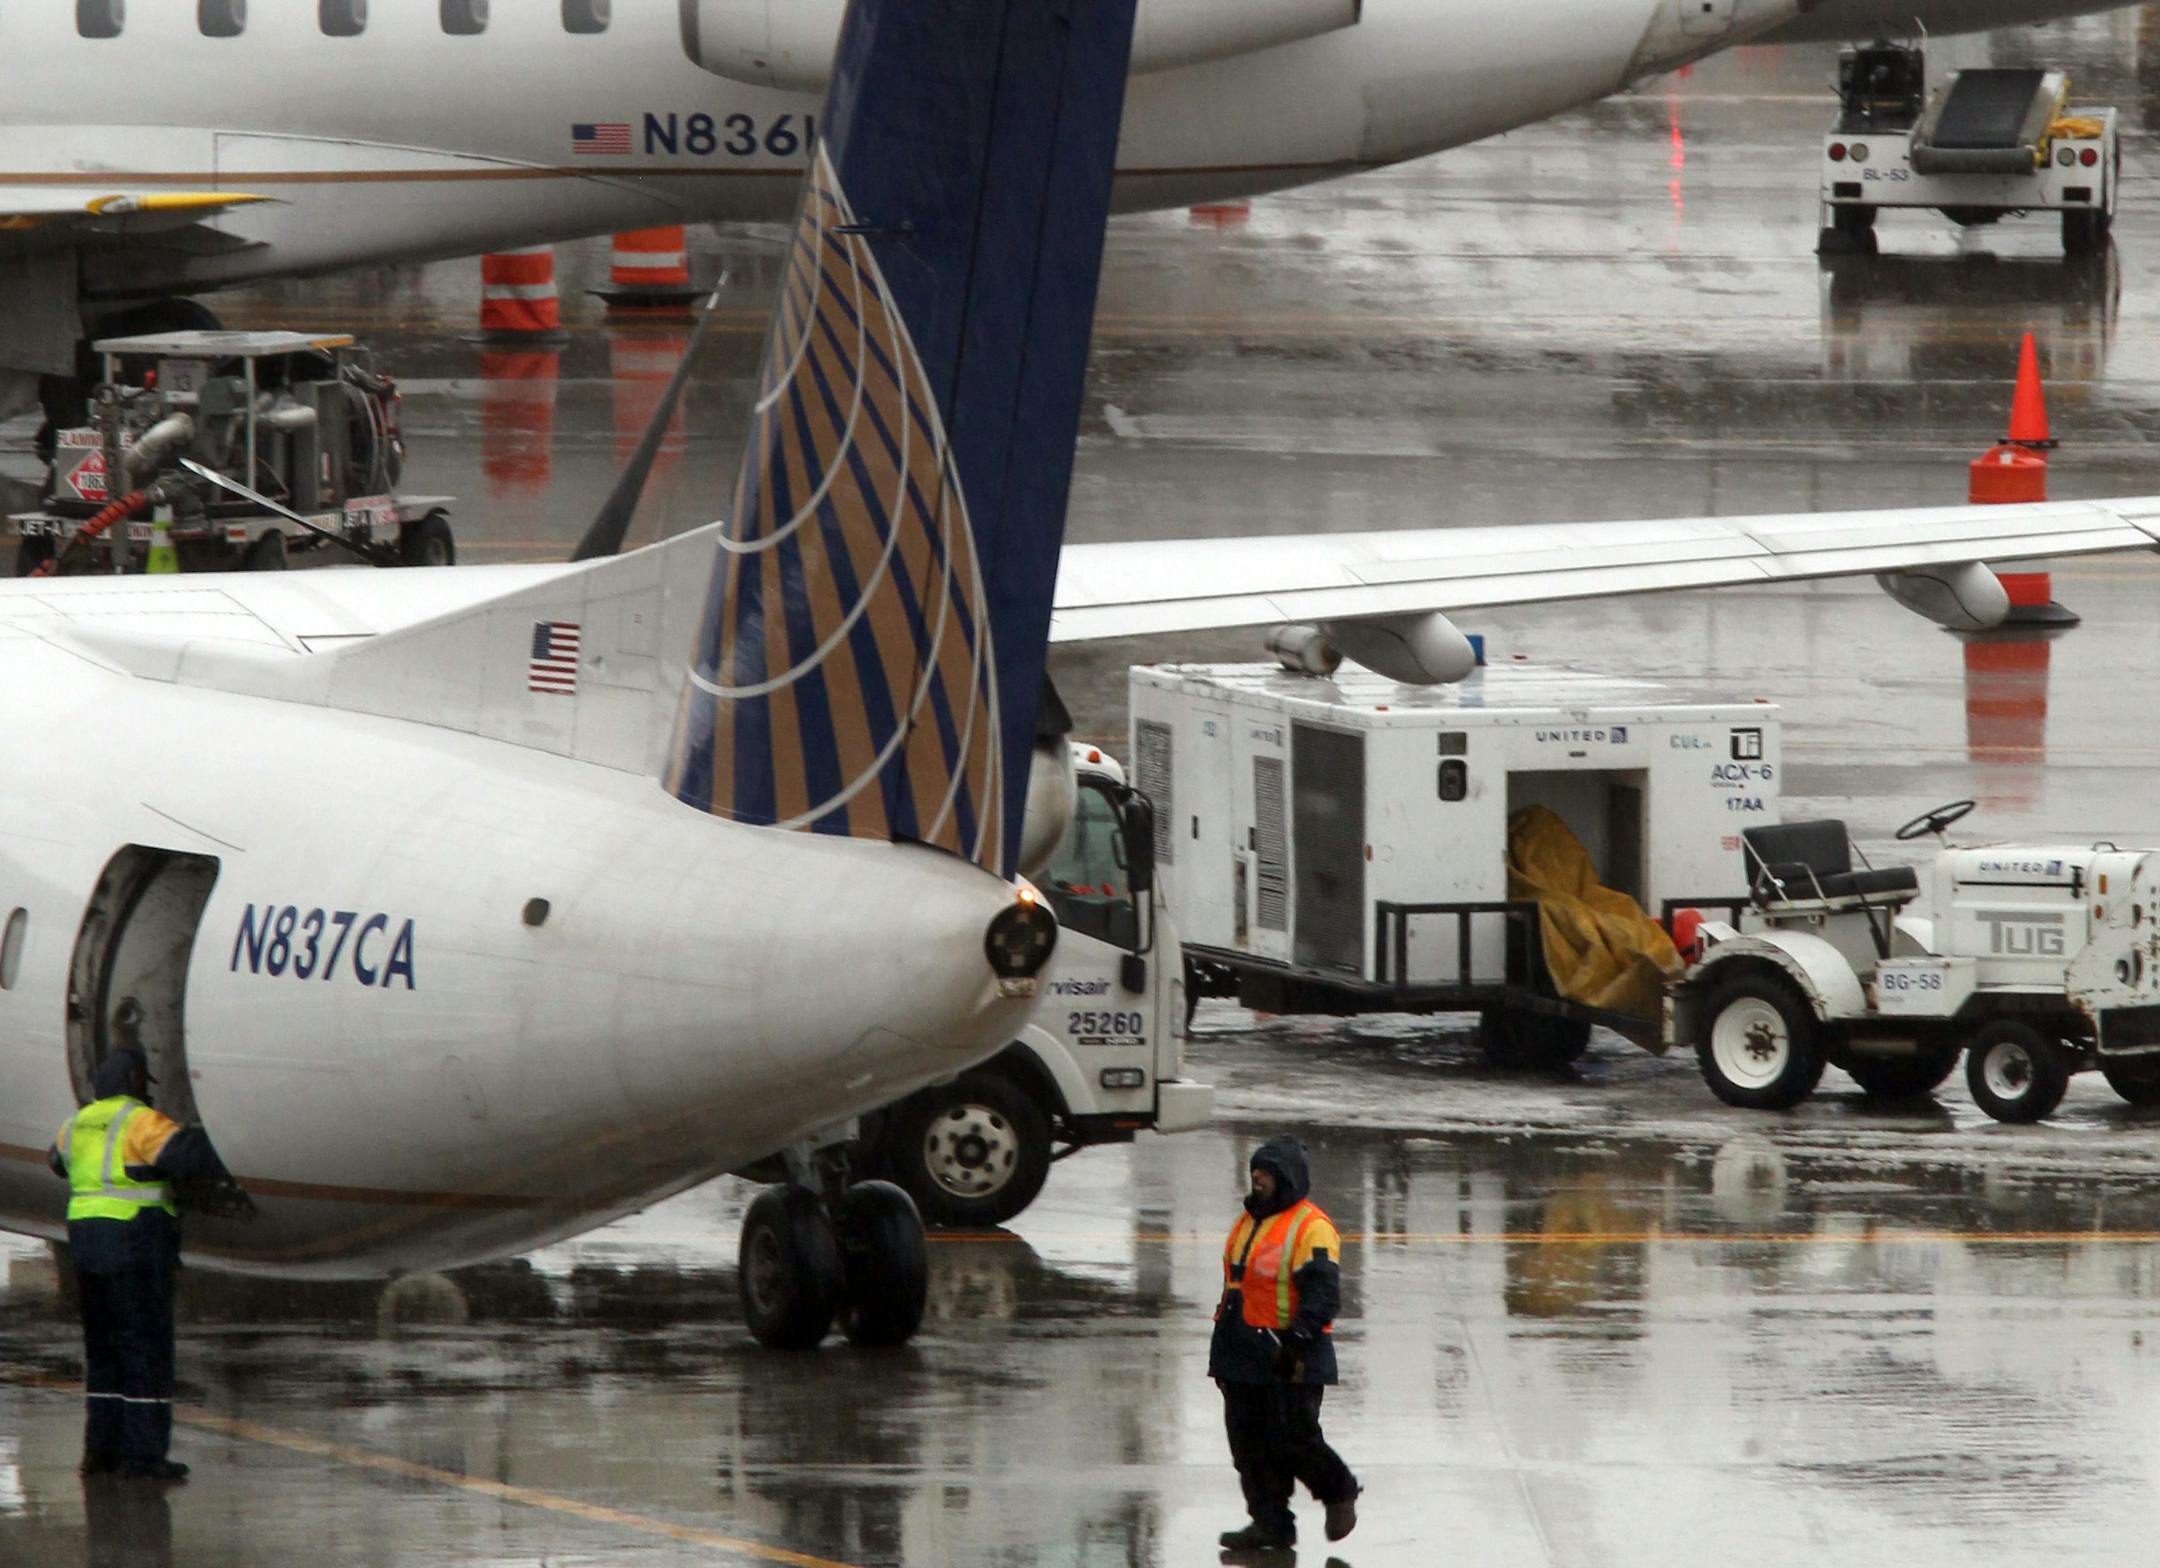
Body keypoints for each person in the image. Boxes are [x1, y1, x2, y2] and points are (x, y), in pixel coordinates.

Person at [46, 1002, 234, 1483]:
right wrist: (231, 1138)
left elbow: (57, 1162)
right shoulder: (139, 1121)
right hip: (133, 1249)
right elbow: (185, 1154)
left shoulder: (77, 1124)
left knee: (104, 1353)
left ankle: (100, 1453)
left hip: (87, 1250)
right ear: (134, 1083)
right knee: (145, 1352)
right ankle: (142, 1458)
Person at [1211, 1135, 1361, 1552]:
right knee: (1247, 1443)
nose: (1256, 1180)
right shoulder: (1249, 1220)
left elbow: (1323, 1293)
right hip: (1241, 1349)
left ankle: (1339, 1490)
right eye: (1254, 1172)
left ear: (1286, 1178)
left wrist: (1296, 1340)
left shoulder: (1311, 1226)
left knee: (1292, 1437)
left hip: (1290, 1351)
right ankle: (1270, 1523)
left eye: (1265, 1174)